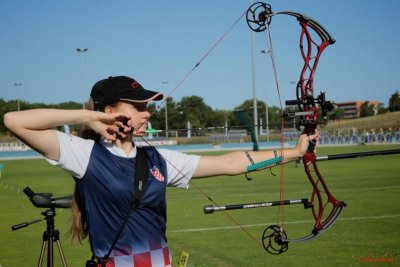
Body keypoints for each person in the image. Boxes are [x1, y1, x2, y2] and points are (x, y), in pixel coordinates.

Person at [3, 75, 319, 267]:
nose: (147, 112)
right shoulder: (84, 154)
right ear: (110, 111)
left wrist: (292, 152)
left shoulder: (157, 158)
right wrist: (88, 117)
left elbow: (232, 163)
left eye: (147, 106)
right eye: (138, 106)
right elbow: (13, 121)